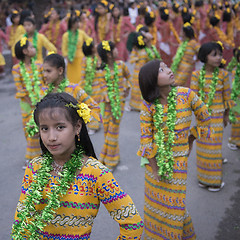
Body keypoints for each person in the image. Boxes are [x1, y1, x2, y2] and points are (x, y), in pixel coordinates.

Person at [11, 92, 144, 239]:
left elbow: (133, 223)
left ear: (77, 127)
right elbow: (22, 218)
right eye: (44, 128)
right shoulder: (35, 167)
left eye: (60, 127)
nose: (51, 137)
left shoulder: (96, 173)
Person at [137, 59, 211, 240]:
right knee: (157, 206)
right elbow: (146, 140)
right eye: (161, 70)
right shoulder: (148, 106)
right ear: (151, 81)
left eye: (167, 66)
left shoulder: (187, 95)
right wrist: (154, 169)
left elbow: (205, 117)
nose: (169, 70)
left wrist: (191, 138)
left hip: (178, 164)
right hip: (155, 166)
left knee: (175, 207)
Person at [190, 41, 233, 191]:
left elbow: (227, 96)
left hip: (217, 117)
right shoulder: (196, 75)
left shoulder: (223, 75)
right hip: (202, 118)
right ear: (204, 57)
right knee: (202, 148)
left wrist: (227, 115)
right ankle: (203, 179)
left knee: (214, 148)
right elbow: (194, 98)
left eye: (220, 54)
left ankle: (214, 181)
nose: (218, 57)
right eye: (214, 54)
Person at [97, 40, 130, 170]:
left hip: (119, 105)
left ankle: (109, 160)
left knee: (113, 132)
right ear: (109, 54)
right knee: (107, 131)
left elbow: (128, 77)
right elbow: (102, 88)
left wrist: (127, 87)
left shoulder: (121, 65)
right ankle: (114, 156)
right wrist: (108, 96)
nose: (117, 50)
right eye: (115, 49)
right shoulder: (101, 71)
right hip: (107, 106)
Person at [12, 37, 43, 168]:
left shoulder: (39, 65)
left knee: (40, 130)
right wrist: (32, 103)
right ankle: (33, 157)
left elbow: (43, 84)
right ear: (25, 51)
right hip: (27, 106)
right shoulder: (16, 69)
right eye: (31, 47)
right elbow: (21, 89)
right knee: (30, 131)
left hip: (40, 103)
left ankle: (33, 157)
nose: (34, 49)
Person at [81, 38, 102, 135]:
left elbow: (83, 74)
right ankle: (93, 124)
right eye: (94, 46)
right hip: (90, 87)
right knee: (92, 106)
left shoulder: (94, 59)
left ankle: (94, 126)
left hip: (96, 86)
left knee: (93, 106)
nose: (95, 47)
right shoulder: (89, 60)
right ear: (92, 49)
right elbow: (83, 74)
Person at [62, 13, 90, 84]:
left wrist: (87, 50)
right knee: (71, 79)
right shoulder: (66, 35)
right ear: (72, 24)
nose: (78, 24)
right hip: (71, 60)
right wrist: (67, 57)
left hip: (81, 59)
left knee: (80, 77)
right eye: (77, 22)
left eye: (78, 22)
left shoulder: (81, 33)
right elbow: (64, 48)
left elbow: (89, 41)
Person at [172, 22, 200, 87]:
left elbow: (201, 52)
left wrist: (195, 60)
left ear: (184, 33)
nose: (180, 32)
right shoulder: (183, 42)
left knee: (179, 85)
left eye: (181, 31)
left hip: (186, 68)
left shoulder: (193, 43)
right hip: (179, 67)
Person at [228, 47, 240, 150]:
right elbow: (235, 87)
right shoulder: (236, 71)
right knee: (237, 121)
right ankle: (234, 141)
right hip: (238, 100)